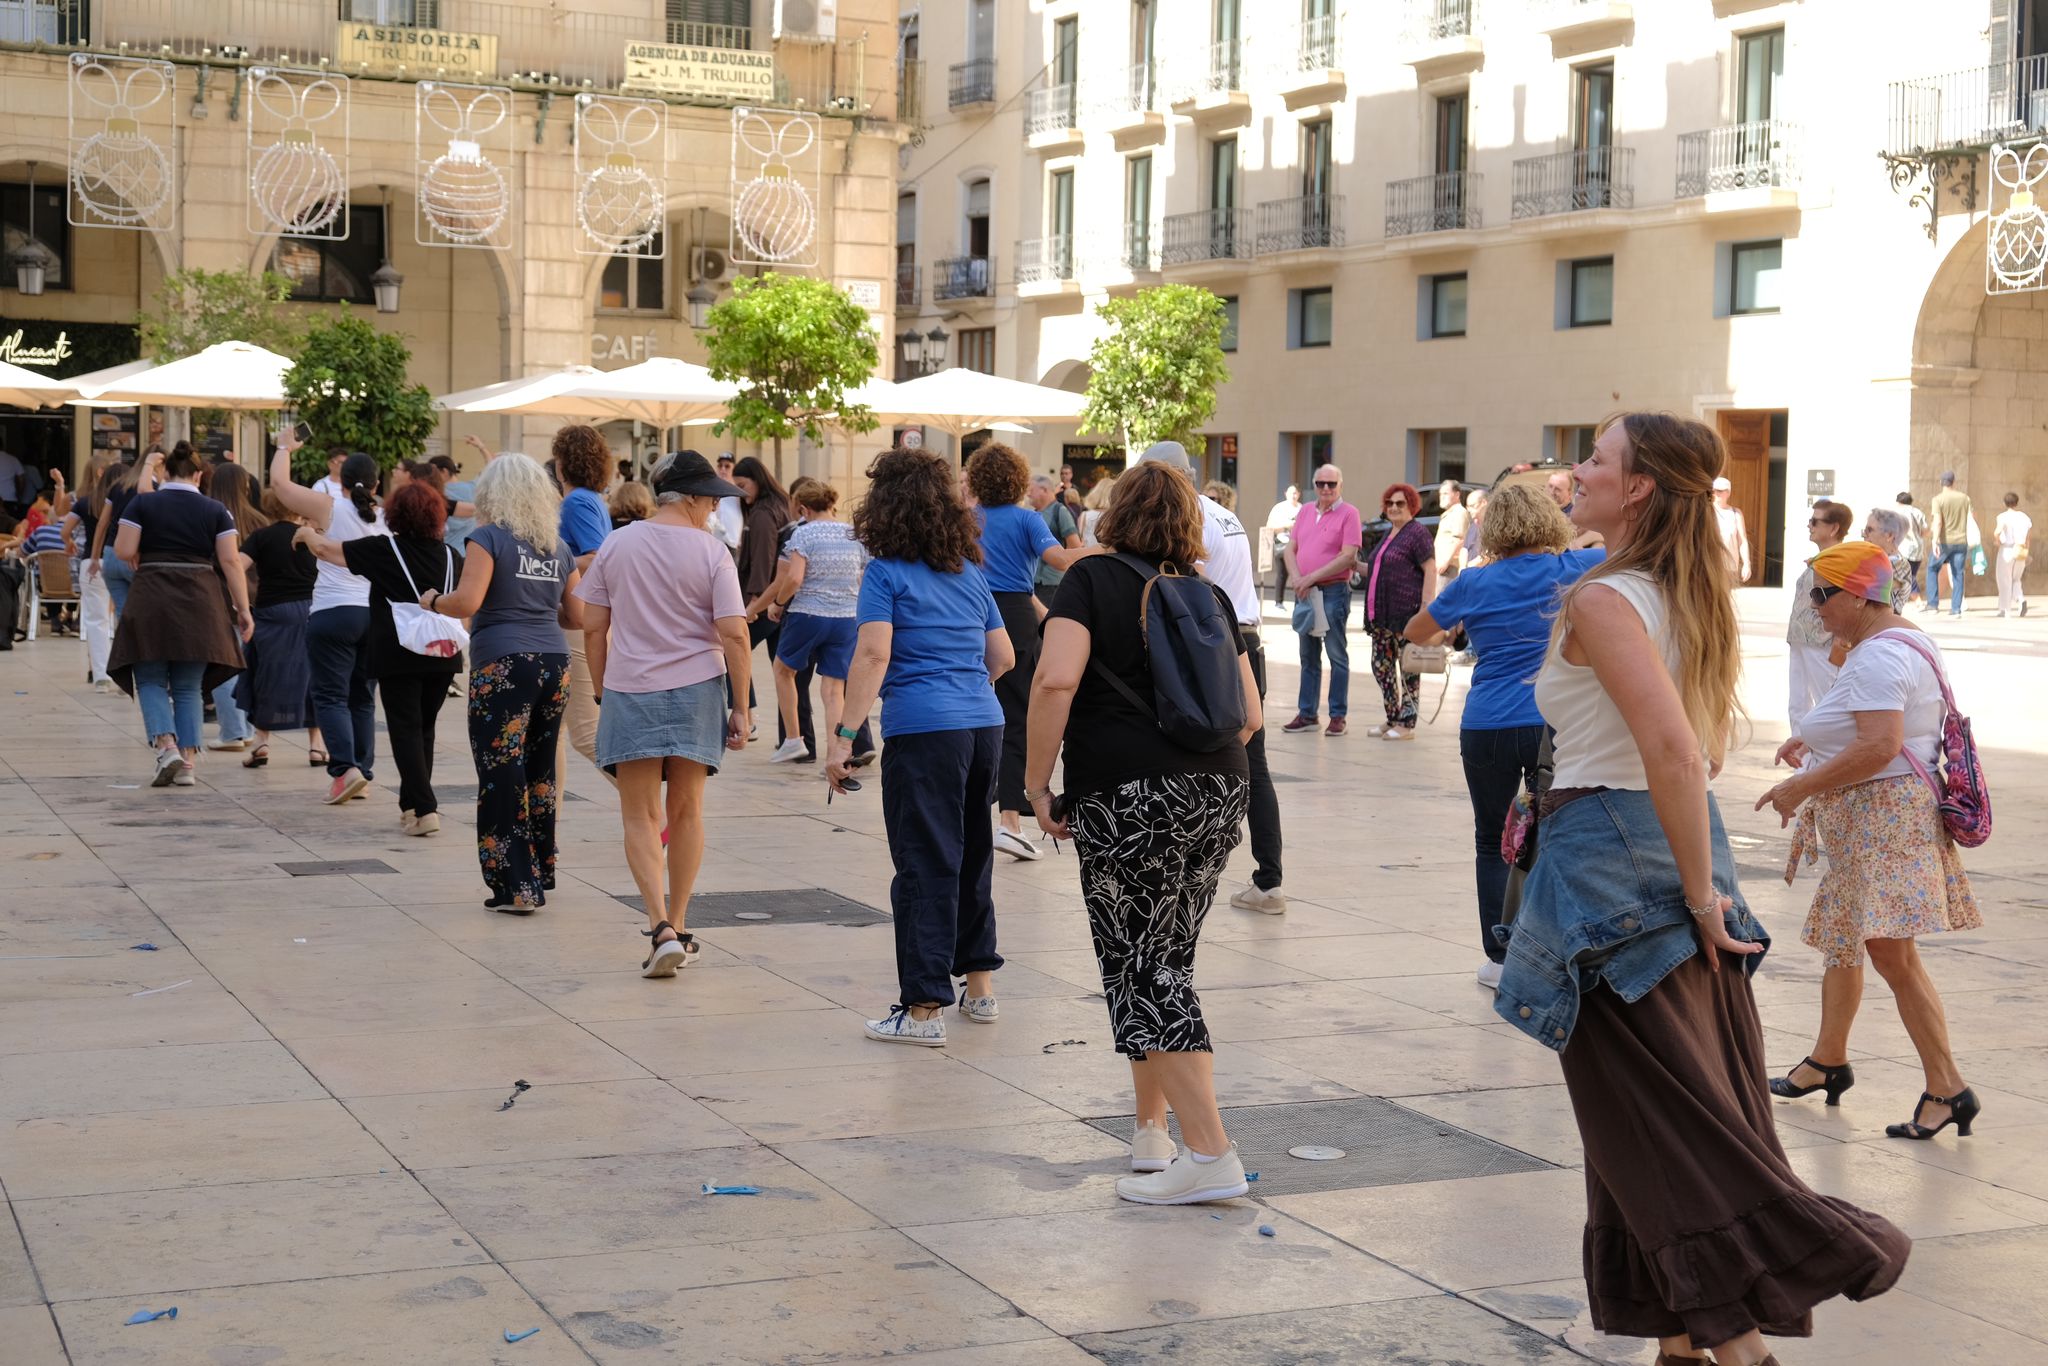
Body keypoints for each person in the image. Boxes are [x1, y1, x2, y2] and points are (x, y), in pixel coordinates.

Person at [1496, 413, 1910, 1364]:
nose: (1578, 473)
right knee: (1660, 1133)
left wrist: (1693, 898)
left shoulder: (1605, 600)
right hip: (1672, 862)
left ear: (1638, 487)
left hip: (1619, 870)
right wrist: (1701, 887)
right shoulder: (1685, 593)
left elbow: (1680, 752)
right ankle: (1686, 1345)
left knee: (1664, 1138)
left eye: (1597, 459)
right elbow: (1708, 747)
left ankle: (1741, 1351)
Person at [1025, 462, 1263, 1203]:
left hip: (1129, 796)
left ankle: (1211, 1155)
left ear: (1110, 515)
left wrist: (1035, 783)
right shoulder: (1210, 594)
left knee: (1142, 967)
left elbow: (1056, 680)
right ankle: (1153, 1134)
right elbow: (1251, 716)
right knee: (1163, 960)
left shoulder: (1088, 583)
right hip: (1219, 789)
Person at [1758, 540, 1984, 1144]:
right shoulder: (1894, 640)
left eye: (1822, 594)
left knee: (1892, 955)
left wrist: (1799, 786)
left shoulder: (1879, 657)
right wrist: (1815, 741)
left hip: (1885, 814)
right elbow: (1871, 724)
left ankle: (1947, 1087)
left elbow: (1881, 745)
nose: (1814, 606)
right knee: (1845, 939)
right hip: (1872, 814)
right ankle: (1828, 1060)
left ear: (1857, 595)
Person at [823, 448, 1012, 1046]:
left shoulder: (884, 573)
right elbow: (1002, 658)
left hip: (925, 730)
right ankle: (978, 989)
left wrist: (845, 736)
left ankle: (924, 1007)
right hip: (984, 726)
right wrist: (962, 688)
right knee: (973, 852)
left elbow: (874, 655)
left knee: (924, 864)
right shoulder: (969, 570)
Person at [1405, 484, 1603, 988]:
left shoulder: (1474, 582)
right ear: (1548, 523)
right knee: (1555, 836)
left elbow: (1414, 631)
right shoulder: (1572, 569)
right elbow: (1627, 551)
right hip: (1551, 722)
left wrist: (1456, 625)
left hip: (1487, 723)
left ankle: (1500, 956)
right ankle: (1552, 951)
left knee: (1492, 840)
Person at [577, 451, 751, 974]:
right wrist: (740, 706)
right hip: (699, 687)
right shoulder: (712, 552)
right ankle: (680, 921)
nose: (716, 508)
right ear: (695, 497)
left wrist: (606, 688)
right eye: (714, 498)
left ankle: (659, 928)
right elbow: (735, 632)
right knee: (687, 810)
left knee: (640, 814)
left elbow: (592, 627)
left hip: (631, 687)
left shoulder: (617, 543)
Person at [420, 453, 581, 912]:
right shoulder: (557, 547)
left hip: (504, 664)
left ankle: (516, 885)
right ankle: (540, 869)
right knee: (539, 768)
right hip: (554, 661)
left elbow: (467, 600)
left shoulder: (486, 538)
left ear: (491, 493)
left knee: (500, 770)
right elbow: (577, 615)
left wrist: (433, 601)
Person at [1138, 442, 1285, 916]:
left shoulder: (1187, 515)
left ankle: (1191, 865)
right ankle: (1269, 879)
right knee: (1253, 763)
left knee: (1194, 754)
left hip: (1215, 642)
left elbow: (1193, 574)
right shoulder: (1223, 513)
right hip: (1246, 639)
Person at [298, 482, 464, 836]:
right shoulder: (452, 555)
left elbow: (328, 551)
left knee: (405, 729)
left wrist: (305, 533)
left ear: (394, 515)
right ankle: (410, 806)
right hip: (443, 652)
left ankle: (426, 808)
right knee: (424, 730)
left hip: (398, 652)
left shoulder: (385, 549)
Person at [967, 443, 1090, 861]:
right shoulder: (1027, 519)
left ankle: (968, 811)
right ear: (1018, 480)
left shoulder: (967, 519)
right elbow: (1062, 559)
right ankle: (1010, 822)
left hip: (968, 613)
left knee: (974, 711)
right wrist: (1110, 549)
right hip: (1015, 616)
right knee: (1016, 716)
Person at [106, 444, 254, 788]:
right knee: (188, 686)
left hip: (152, 595)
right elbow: (231, 562)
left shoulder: (142, 503)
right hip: (201, 598)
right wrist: (243, 608)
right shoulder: (216, 509)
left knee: (151, 678)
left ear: (166, 473)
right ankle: (187, 764)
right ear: (199, 475)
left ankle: (166, 746)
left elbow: (124, 550)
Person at [270, 438, 386, 804]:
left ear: (341, 480)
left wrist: (284, 448)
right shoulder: (386, 517)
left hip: (332, 613)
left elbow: (280, 486)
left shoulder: (329, 507)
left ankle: (345, 770)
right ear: (377, 484)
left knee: (330, 696)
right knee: (363, 698)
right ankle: (362, 773)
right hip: (374, 615)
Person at [749, 480, 868, 765]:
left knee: (783, 670)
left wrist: (778, 604)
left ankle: (793, 739)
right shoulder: (854, 535)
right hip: (846, 618)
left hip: (808, 614)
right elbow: (863, 578)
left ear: (803, 508)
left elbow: (794, 578)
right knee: (833, 688)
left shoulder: (803, 534)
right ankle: (836, 753)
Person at [233, 487, 322, 769]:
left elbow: (237, 564)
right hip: (310, 609)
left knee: (265, 671)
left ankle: (261, 741)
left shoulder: (261, 537)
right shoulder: (312, 537)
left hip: (271, 612)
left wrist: (242, 602)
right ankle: (317, 747)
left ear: (269, 509)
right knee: (312, 674)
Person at [552, 425, 616, 787]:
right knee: (554, 735)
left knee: (585, 734)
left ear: (562, 464)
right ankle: (549, 830)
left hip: (577, 622)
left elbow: (596, 557)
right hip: (578, 619)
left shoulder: (577, 501)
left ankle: (655, 814)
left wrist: (550, 562)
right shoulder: (591, 499)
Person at [1281, 464, 1360, 736]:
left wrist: (1309, 577)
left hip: (1333, 591)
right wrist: (1297, 578)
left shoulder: (1349, 514)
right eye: (1321, 483)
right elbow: (1290, 549)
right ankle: (1307, 714)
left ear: (1340, 485)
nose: (1326, 489)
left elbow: (1348, 556)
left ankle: (1337, 715)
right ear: (1313, 485)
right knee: (1308, 656)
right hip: (1306, 592)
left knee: (1337, 655)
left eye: (1331, 484)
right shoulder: (1304, 511)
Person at [1359, 482, 1437, 741]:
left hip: (1407, 615)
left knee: (1408, 669)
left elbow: (1430, 568)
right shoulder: (1390, 532)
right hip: (1381, 616)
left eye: (1400, 503)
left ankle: (1407, 723)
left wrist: (1426, 607)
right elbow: (1379, 571)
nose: (1394, 507)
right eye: (1390, 503)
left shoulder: (1417, 533)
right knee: (1381, 667)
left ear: (1411, 506)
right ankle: (1393, 717)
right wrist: (1353, 565)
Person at [199, 465, 268, 753]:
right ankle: (249, 728)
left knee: (222, 664)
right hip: (258, 600)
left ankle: (232, 732)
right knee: (248, 666)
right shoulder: (260, 520)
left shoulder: (209, 516)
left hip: (220, 599)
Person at [1788, 500, 1850, 730]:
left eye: (1815, 521)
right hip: (1800, 640)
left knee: (1827, 701)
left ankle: (1827, 757)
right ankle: (1803, 760)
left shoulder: (1841, 561)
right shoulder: (1821, 559)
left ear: (1833, 528)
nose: (1809, 526)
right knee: (1798, 704)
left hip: (1822, 641)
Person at [92, 448, 163, 617]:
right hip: (136, 557)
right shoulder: (155, 489)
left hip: (110, 555)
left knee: (124, 618)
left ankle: (124, 644)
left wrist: (95, 557)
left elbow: (102, 523)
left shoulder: (118, 485)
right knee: (147, 616)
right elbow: (150, 524)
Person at [68, 462, 119, 689]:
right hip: (120, 559)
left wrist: (68, 543)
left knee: (96, 619)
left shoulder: (84, 502)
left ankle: (101, 675)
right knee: (121, 618)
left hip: (92, 561)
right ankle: (123, 673)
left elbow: (64, 529)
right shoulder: (125, 502)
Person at [1028, 473, 1081, 609]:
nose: (1028, 494)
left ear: (1044, 490)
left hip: (1051, 584)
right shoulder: (1035, 513)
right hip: (1034, 583)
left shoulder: (1060, 511)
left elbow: (1075, 546)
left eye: (1031, 490)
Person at [1925, 471, 1972, 616]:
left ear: (1941, 482)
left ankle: (1933, 605)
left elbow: (1938, 521)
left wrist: (1934, 540)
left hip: (1944, 542)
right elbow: (1971, 517)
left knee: (1932, 569)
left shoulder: (1938, 499)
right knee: (1958, 574)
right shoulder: (1965, 498)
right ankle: (1956, 608)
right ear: (1954, 482)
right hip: (1961, 541)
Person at [1861, 508, 1913, 613]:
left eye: (1869, 530)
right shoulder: (1880, 561)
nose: (1863, 534)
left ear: (1889, 535)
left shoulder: (1896, 565)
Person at [1995, 491, 2031, 617]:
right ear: (2017, 502)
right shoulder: (2024, 517)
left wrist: (1997, 541)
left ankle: (2006, 609)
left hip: (2007, 549)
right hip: (2020, 549)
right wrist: (2026, 552)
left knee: (2004, 579)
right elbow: (2028, 538)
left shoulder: (2002, 517)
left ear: (2004, 503)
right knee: (2016, 579)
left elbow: (1997, 532)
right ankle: (2021, 600)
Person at [1712, 476, 1751, 584]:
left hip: (1729, 567)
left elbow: (1742, 541)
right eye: (1714, 490)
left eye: (1720, 491)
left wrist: (1746, 564)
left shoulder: (1736, 513)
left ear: (1728, 493)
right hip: (1710, 565)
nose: (1716, 493)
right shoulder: (1706, 511)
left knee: (1725, 598)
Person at [1434, 479, 1470, 582]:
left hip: (1449, 567)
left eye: (1446, 493)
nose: (1442, 496)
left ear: (1457, 494)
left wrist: (1445, 562)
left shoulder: (1459, 513)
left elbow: (1459, 539)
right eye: (1441, 494)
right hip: (1443, 567)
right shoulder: (1449, 513)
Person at [1895, 492, 1927, 602]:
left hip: (1903, 548)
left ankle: (1918, 600)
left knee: (1907, 576)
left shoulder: (1898, 512)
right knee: (1911, 574)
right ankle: (1906, 599)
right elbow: (1925, 531)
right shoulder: (1918, 512)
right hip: (1918, 548)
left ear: (1899, 502)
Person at [713, 452, 744, 553]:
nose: (723, 470)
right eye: (720, 466)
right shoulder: (712, 490)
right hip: (715, 542)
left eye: (727, 466)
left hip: (733, 543)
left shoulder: (739, 493)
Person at [1079, 475, 1116, 547]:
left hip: (1088, 555)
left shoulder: (1085, 515)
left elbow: (1081, 539)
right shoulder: (1115, 516)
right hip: (1108, 556)